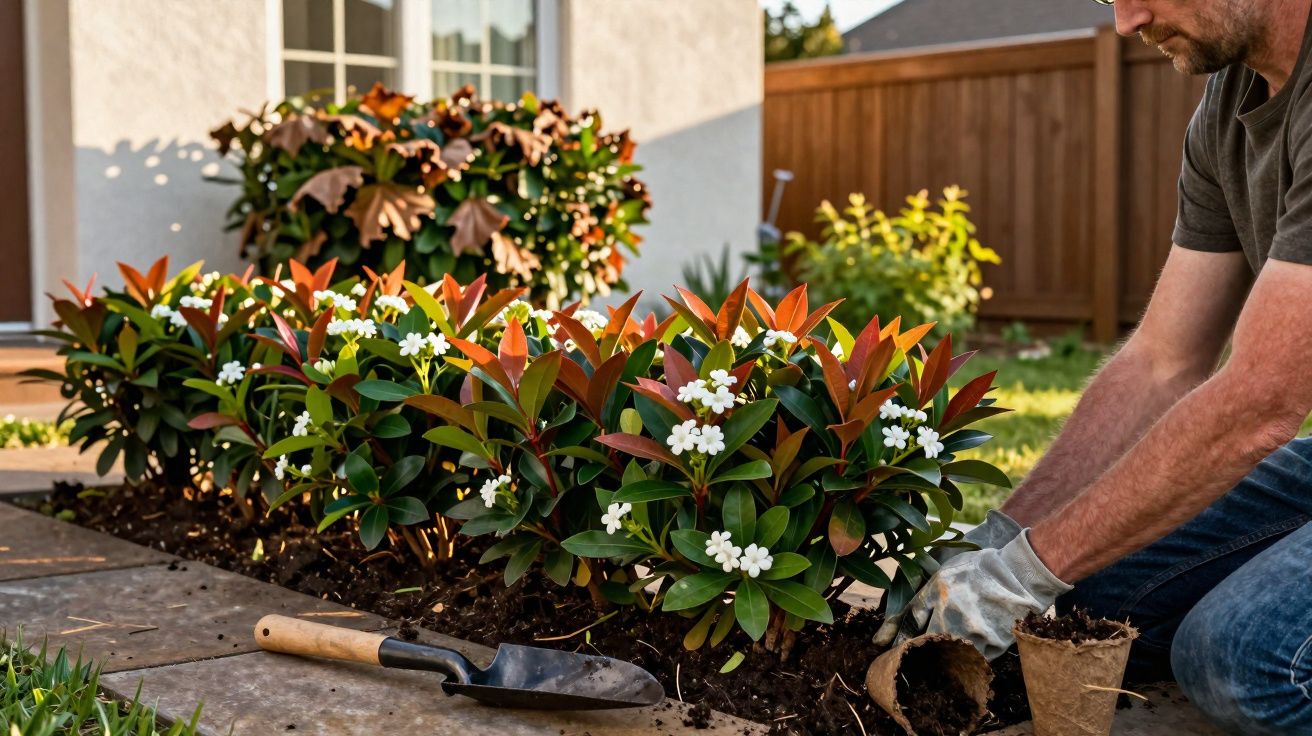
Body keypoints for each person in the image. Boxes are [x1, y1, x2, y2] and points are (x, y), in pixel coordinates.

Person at [879, 0, 1312, 732]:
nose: (1126, 19)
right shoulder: (1229, 106)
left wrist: (1022, 574)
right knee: (1095, 597)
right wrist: (1005, 542)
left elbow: (1262, 401)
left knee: (1246, 658)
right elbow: (1161, 363)